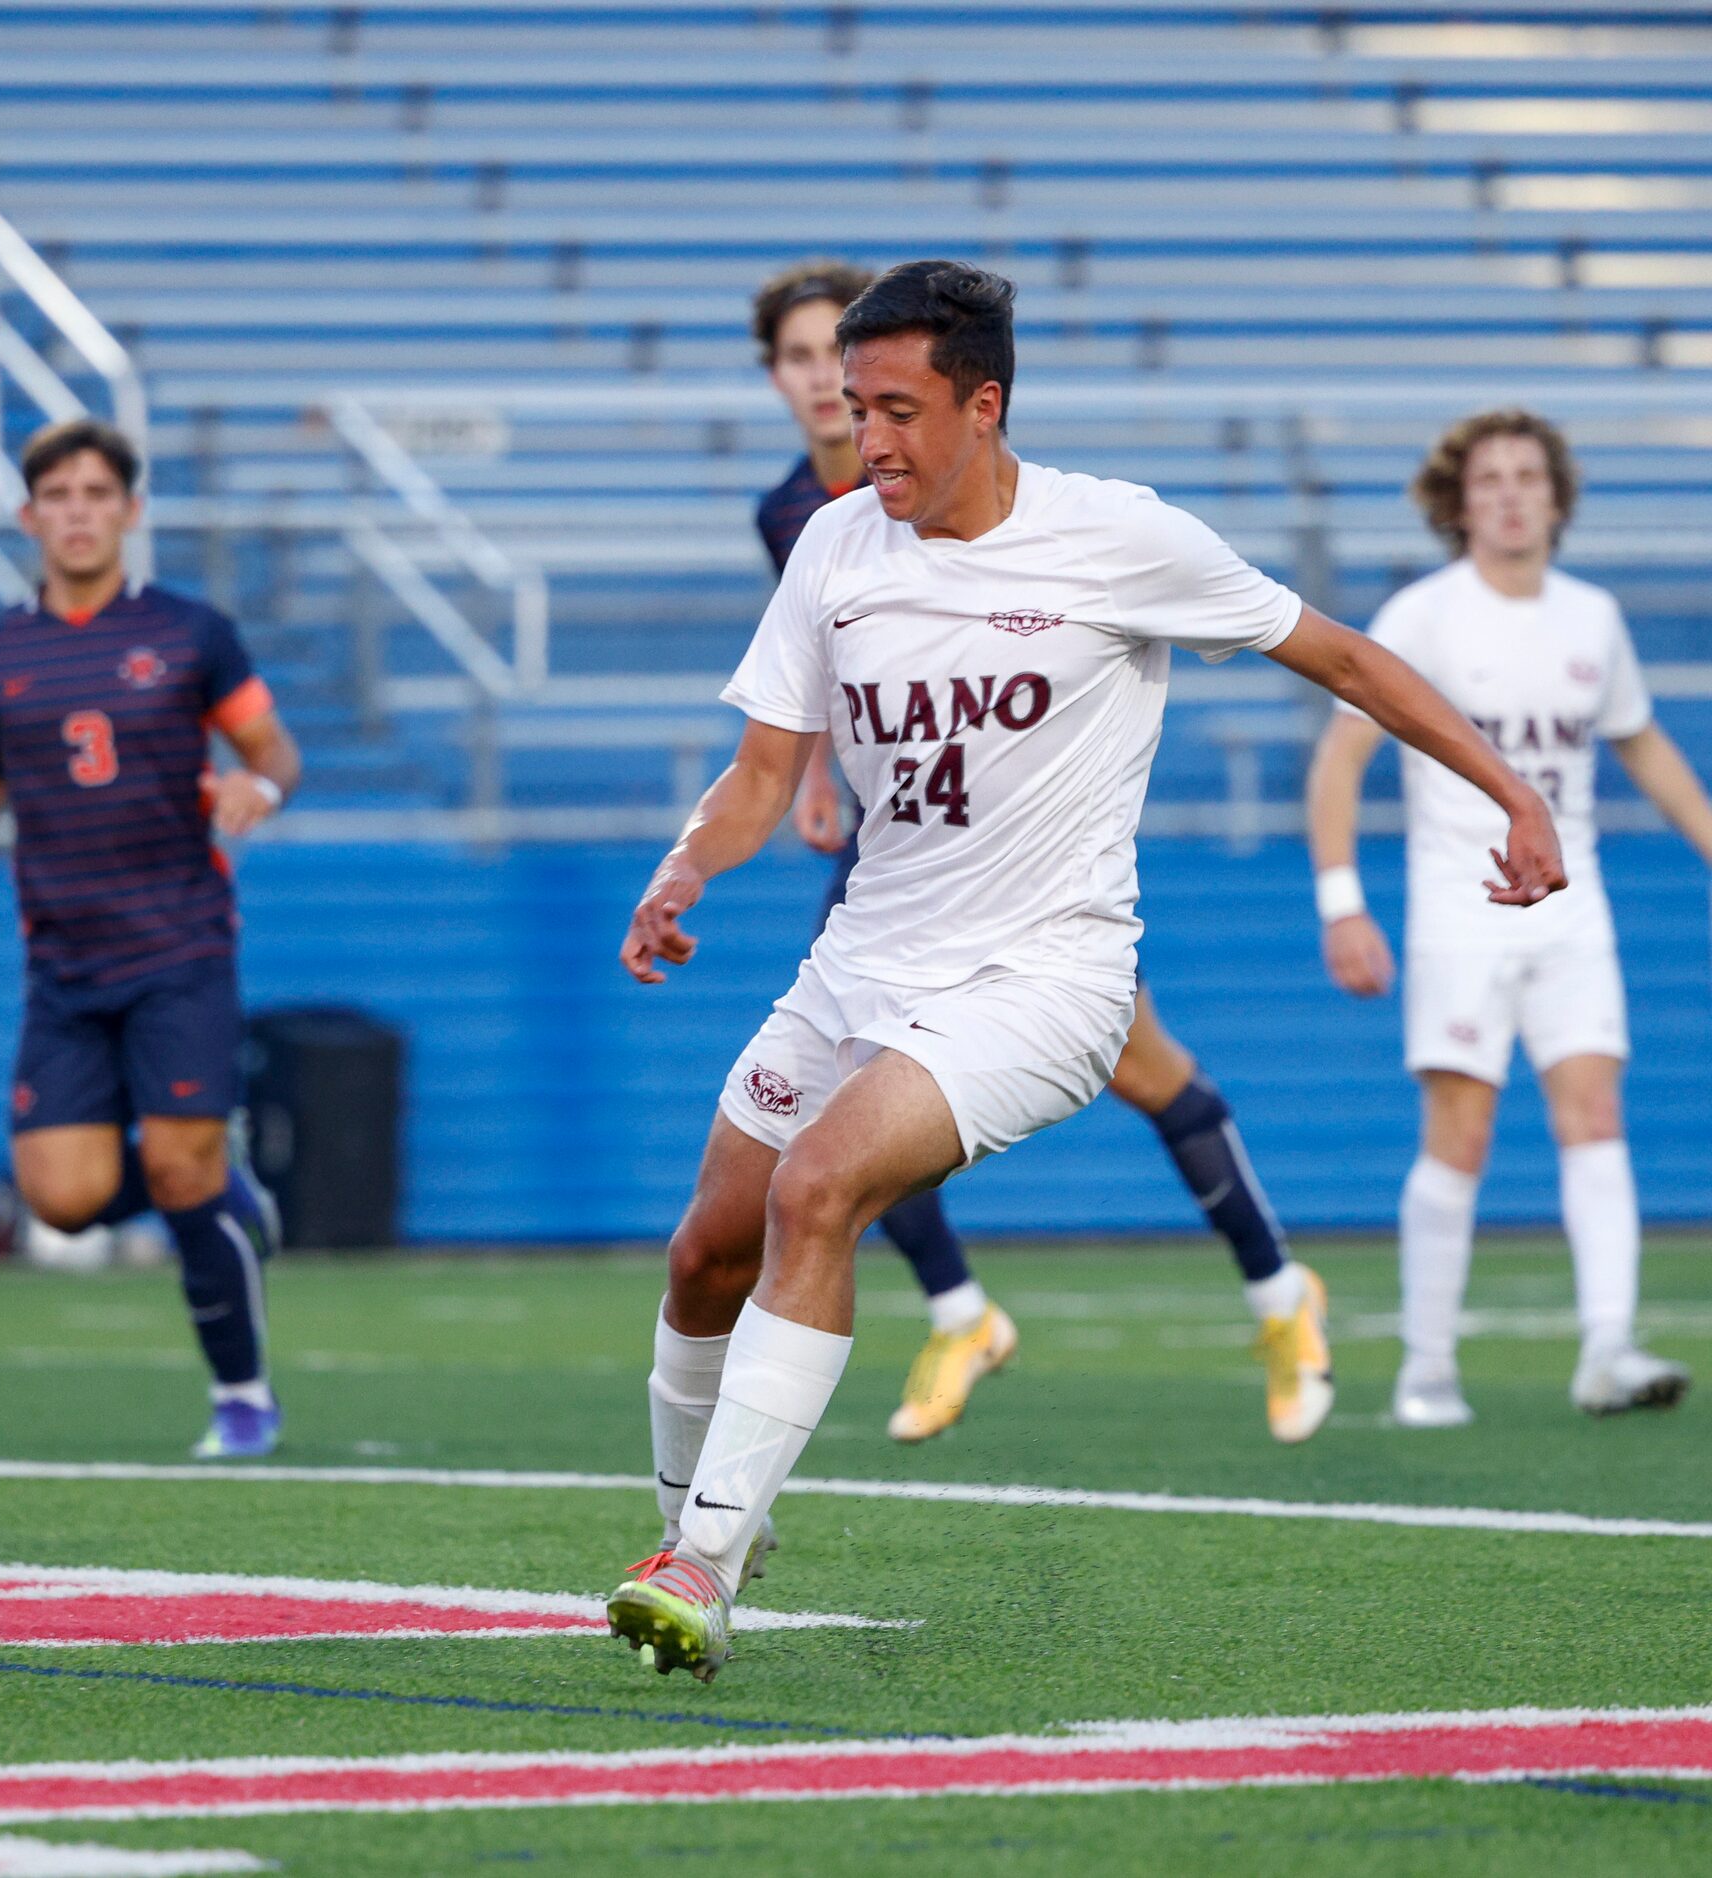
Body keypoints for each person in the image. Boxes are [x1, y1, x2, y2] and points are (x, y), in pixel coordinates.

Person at [604, 260, 1564, 1684]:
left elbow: (1350, 661)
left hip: (1047, 979)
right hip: (863, 953)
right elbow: (763, 771)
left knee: (821, 1188)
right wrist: (685, 868)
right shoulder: (832, 547)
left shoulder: (1118, 536)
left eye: (900, 411)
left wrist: (1514, 795)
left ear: (984, 407)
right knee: (705, 1252)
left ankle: (707, 1562)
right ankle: (687, 1532)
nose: (868, 442)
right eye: (856, 409)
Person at [749, 259, 1331, 1447]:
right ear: (777, 379)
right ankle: (960, 1310)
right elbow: (819, 667)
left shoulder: (1010, 507)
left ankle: (1278, 1290)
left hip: (1027, 869)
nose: (827, 386)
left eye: (839, 361)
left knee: (1140, 1065)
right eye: (802, 363)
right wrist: (811, 779)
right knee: (842, 1099)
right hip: (899, 855)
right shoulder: (797, 519)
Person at [1306, 409, 1711, 1426]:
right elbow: (1338, 760)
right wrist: (1341, 901)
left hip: (1571, 914)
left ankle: (1606, 1348)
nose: (1508, 494)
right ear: (1457, 503)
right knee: (1462, 1132)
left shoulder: (1589, 619)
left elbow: (1642, 745)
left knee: (1595, 1114)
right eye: (1486, 479)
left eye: (1526, 476)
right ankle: (1425, 1369)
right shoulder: (1421, 617)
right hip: (1460, 910)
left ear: (1556, 497)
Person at [0, 416, 301, 1458]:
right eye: (57, 496)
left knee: (177, 1170)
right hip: (64, 961)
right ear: (28, 515)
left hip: (180, 944)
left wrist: (255, 786)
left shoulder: (189, 631)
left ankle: (241, 1398)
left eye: (96, 494)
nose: (76, 513)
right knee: (63, 1199)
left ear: (128, 511)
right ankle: (223, 1179)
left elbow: (270, 746)